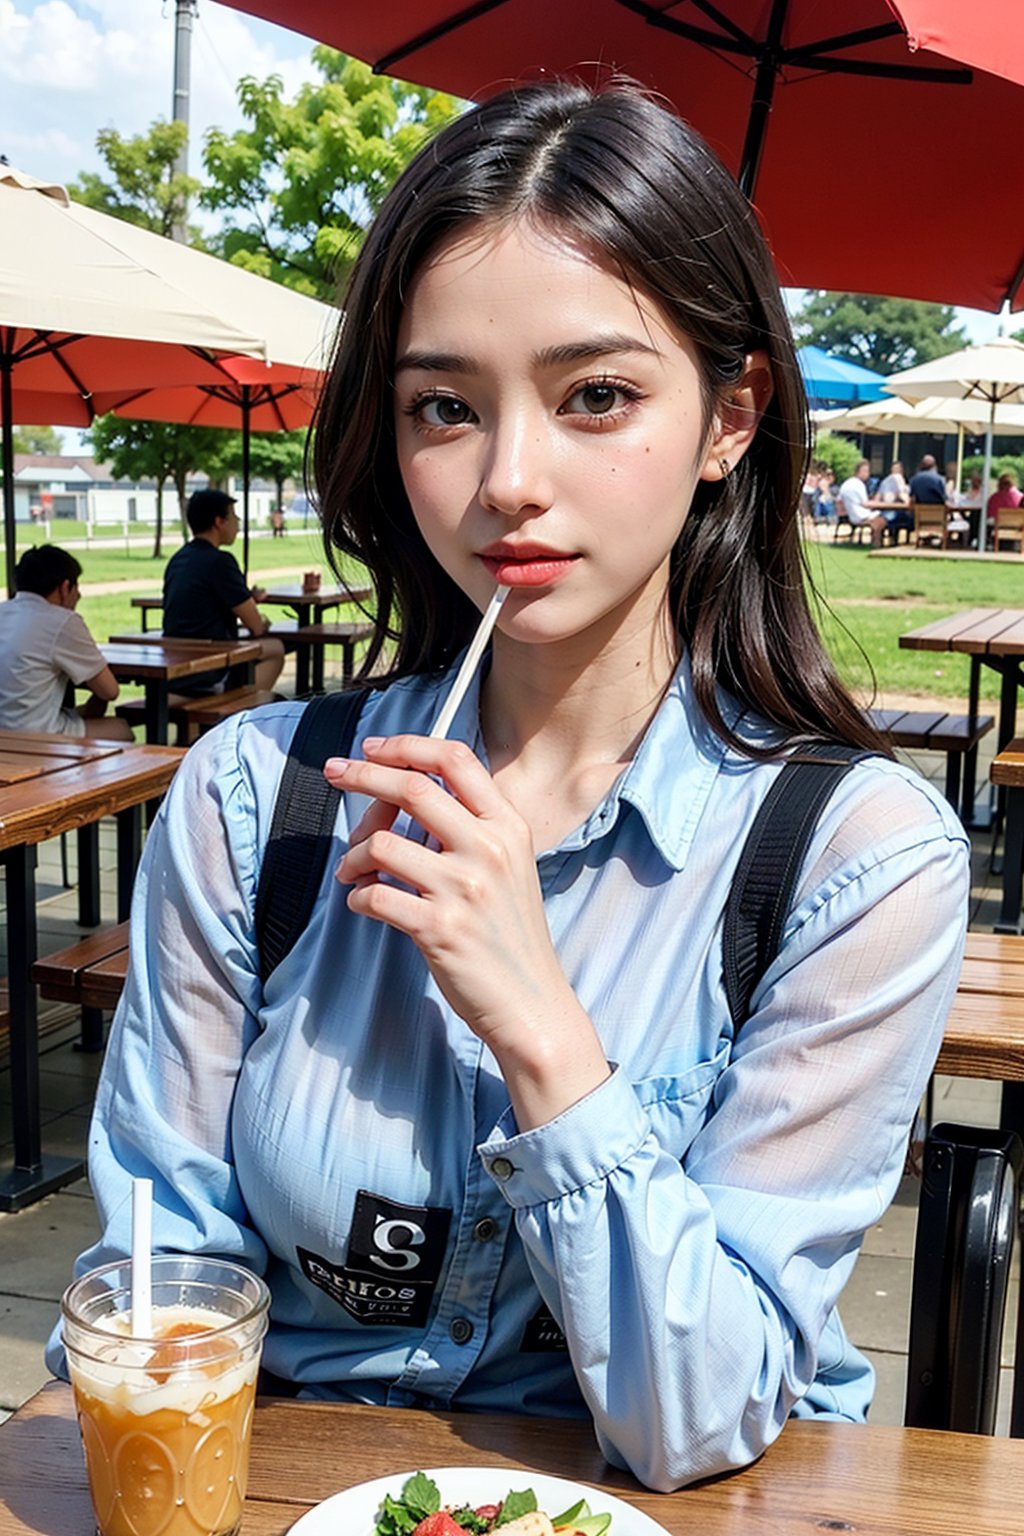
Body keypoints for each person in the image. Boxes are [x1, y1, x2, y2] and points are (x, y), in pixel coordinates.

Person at [50, 80, 968, 1491]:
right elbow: (165, 1280)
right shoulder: (261, 800)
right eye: (444, 407)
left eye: (596, 395)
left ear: (731, 418)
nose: (509, 481)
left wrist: (539, 1023)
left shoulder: (858, 859)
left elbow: (703, 1415)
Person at [0, 544, 132, 740]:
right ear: (65, 587)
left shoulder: (4, 612)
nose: (79, 595)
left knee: (82, 714)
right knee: (122, 728)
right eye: (77, 586)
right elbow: (110, 691)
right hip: (36, 736)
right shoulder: (62, 621)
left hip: (6, 729)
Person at [162, 488, 284, 692]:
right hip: (208, 667)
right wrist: (260, 619)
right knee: (276, 649)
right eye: (234, 517)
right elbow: (255, 626)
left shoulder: (178, 559)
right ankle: (243, 708)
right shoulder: (220, 561)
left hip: (175, 660)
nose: (237, 524)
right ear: (219, 522)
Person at [836, 460, 890, 546]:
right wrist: (885, 504)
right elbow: (866, 504)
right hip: (860, 515)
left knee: (879, 518)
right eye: (865, 471)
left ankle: (875, 542)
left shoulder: (846, 483)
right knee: (883, 520)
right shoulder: (858, 484)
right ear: (858, 472)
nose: (867, 474)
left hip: (850, 514)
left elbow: (839, 500)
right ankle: (877, 543)